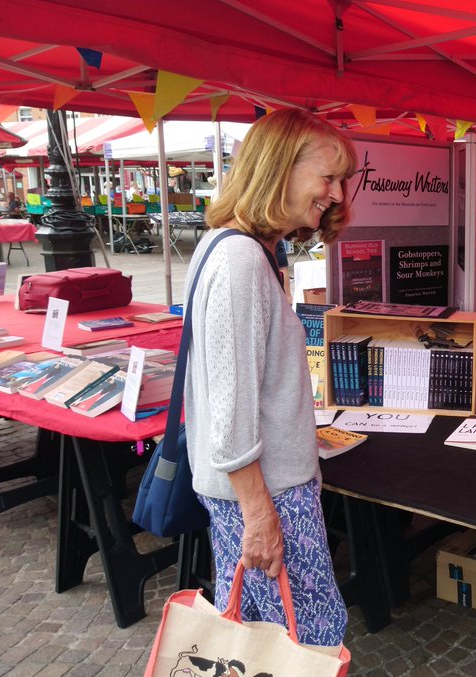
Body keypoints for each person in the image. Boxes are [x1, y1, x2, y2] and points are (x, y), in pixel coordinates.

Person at [186, 108, 356, 647]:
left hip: (259, 490)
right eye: (326, 177)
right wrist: (259, 513)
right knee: (307, 639)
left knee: (263, 636)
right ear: (280, 168)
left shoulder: (236, 248)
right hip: (266, 493)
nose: (334, 194)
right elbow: (230, 414)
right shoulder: (240, 261)